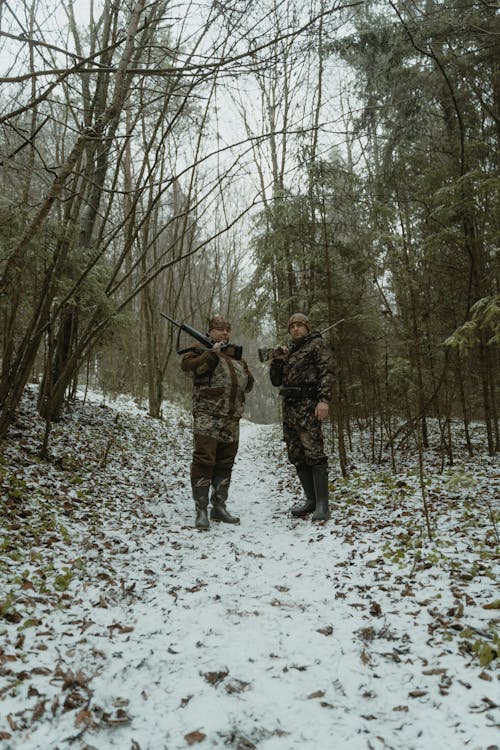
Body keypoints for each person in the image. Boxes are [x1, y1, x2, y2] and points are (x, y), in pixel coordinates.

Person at [181, 315, 254, 530]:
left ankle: (219, 506)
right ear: (210, 331)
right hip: (208, 415)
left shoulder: (235, 356)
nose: (224, 333)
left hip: (232, 417)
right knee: (204, 460)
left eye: (226, 329)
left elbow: (247, 386)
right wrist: (211, 355)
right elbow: (191, 369)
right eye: (219, 329)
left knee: (225, 463)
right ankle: (201, 509)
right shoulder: (200, 350)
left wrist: (247, 374)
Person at [269, 312, 334, 521]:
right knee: (296, 454)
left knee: (314, 452)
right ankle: (310, 500)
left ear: (307, 327)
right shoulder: (289, 351)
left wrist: (324, 400)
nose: (296, 329)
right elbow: (276, 381)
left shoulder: (317, 345)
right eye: (292, 326)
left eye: (299, 325)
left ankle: (323, 505)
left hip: (309, 405)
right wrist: (278, 361)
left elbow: (327, 372)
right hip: (289, 407)